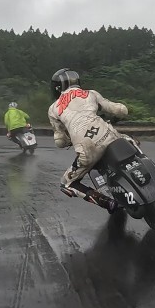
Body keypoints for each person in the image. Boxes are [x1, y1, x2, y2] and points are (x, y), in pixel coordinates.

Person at [47, 68, 132, 213]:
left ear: (57, 87)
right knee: (130, 141)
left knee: (66, 184)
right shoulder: (91, 93)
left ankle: (108, 202)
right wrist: (121, 113)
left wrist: (68, 141)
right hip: (109, 135)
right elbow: (121, 110)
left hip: (87, 148)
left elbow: (60, 141)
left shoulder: (53, 108)